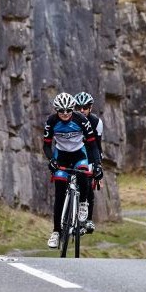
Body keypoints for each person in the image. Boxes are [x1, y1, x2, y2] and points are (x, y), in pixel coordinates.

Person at [43, 92, 103, 248]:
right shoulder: (51, 121)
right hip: (61, 155)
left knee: (84, 173)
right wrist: (51, 160)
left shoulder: (81, 120)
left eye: (68, 110)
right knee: (59, 193)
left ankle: (83, 203)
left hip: (79, 154)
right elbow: (46, 145)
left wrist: (97, 165)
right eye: (61, 110)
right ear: (56, 110)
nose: (64, 114)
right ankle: (56, 232)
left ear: (72, 109)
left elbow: (92, 144)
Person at [74, 92, 103, 233]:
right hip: (75, 153)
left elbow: (97, 144)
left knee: (88, 184)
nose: (81, 110)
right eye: (78, 107)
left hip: (90, 153)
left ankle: (88, 219)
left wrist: (98, 164)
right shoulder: (70, 120)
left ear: (90, 108)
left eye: (84, 107)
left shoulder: (96, 122)